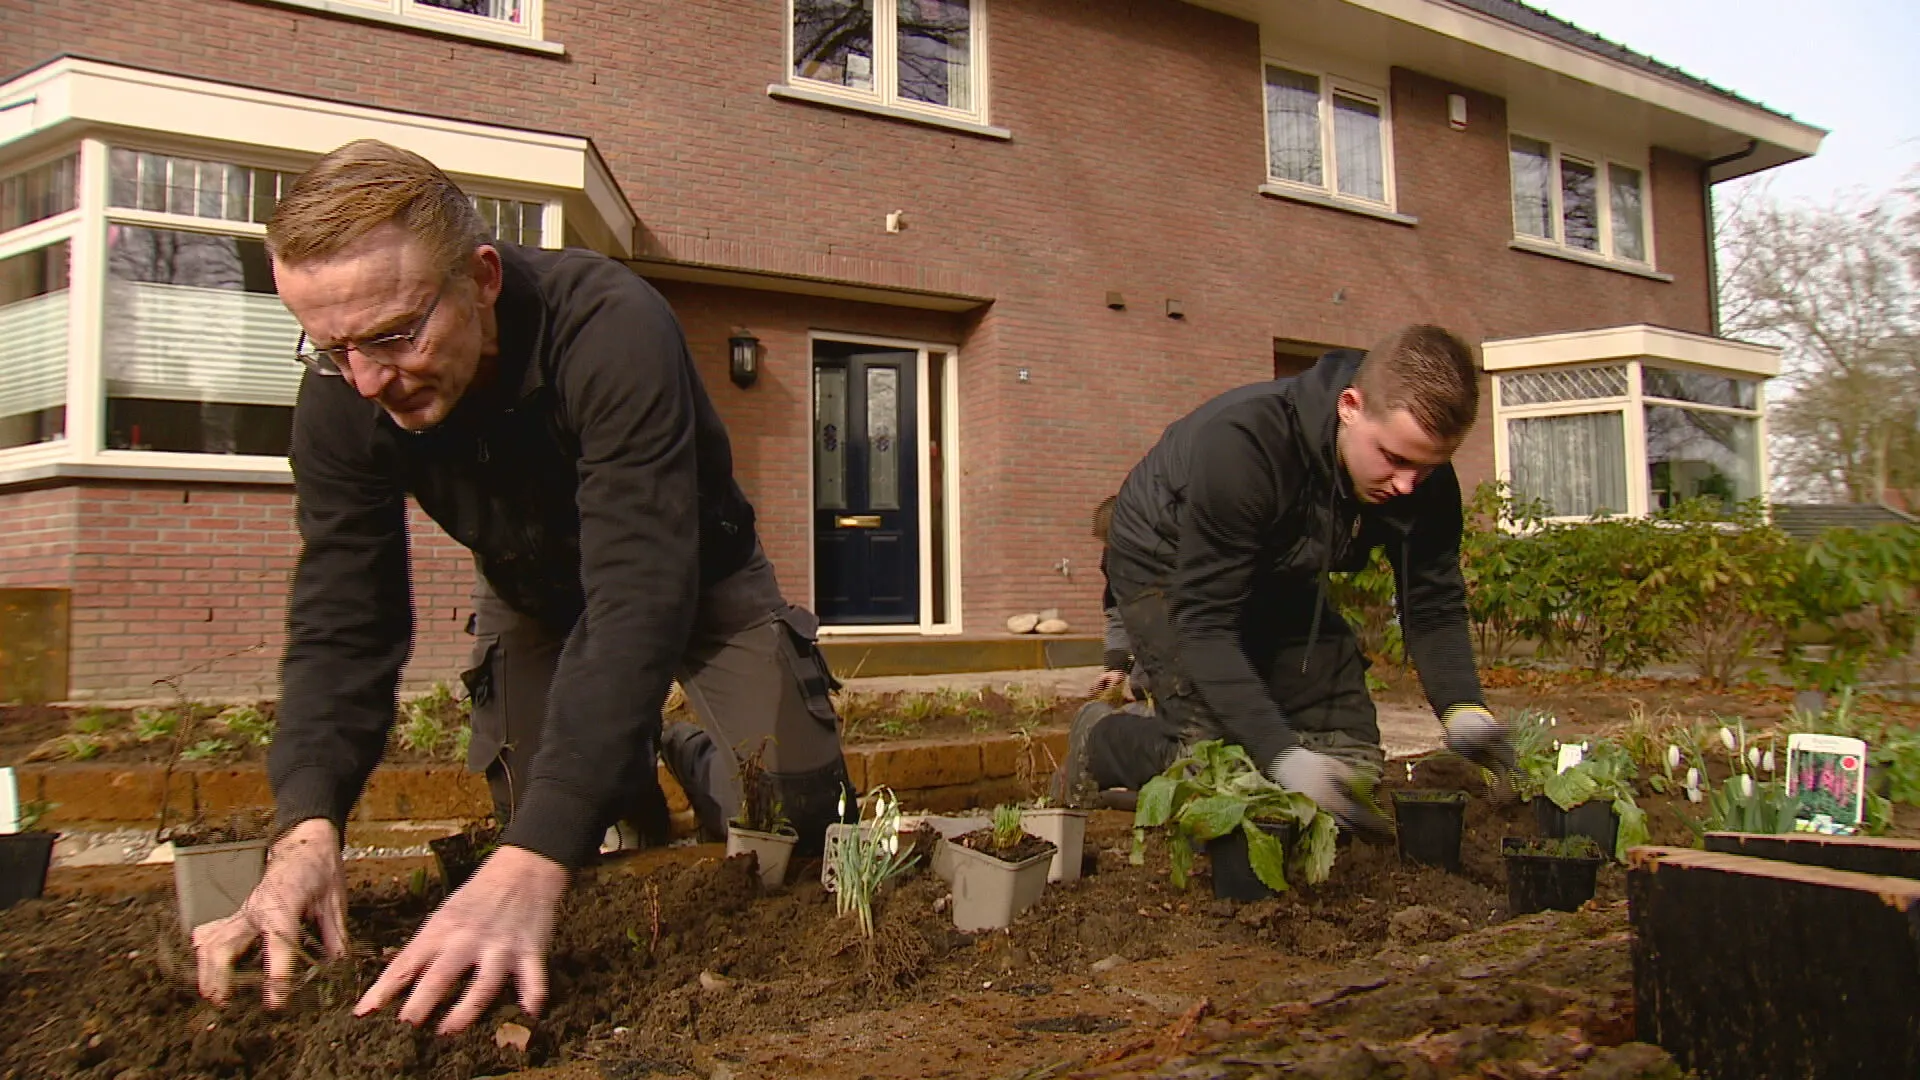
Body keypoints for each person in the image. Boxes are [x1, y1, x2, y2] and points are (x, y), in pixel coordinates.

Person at [190, 139, 855, 1034]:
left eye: (394, 335)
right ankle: (625, 760)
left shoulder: (612, 326)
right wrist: (307, 826)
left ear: (483, 278)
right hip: (534, 593)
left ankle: (691, 754)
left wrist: (536, 853)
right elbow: (344, 620)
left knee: (802, 824)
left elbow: (639, 588)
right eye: (331, 346)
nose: (368, 380)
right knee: (546, 815)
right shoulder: (342, 396)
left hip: (693, 574)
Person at [1054, 325, 1515, 835]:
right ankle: (1100, 740)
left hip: (1277, 562)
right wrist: (1280, 755)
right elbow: (1205, 624)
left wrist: (1463, 708)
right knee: (1221, 761)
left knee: (1350, 761)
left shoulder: (1419, 475)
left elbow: (1431, 601)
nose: (1408, 485)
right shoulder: (1244, 446)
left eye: (1427, 468)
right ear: (1349, 405)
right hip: (1165, 559)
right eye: (1394, 459)